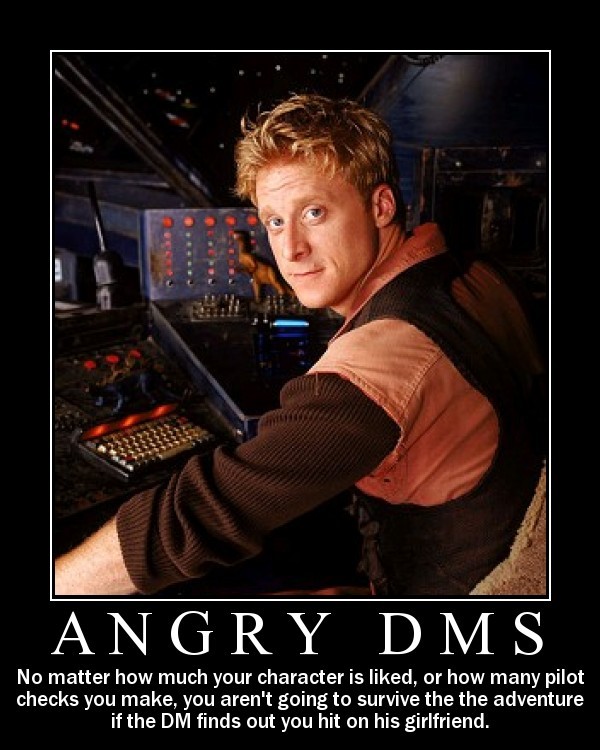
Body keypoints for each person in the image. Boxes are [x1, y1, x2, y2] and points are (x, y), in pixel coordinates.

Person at [55, 93, 546, 597]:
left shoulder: (377, 371)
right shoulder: (476, 274)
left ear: (380, 206)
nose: (290, 249)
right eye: (274, 221)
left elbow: (200, 515)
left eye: (314, 213)